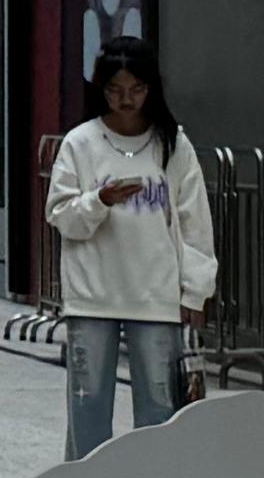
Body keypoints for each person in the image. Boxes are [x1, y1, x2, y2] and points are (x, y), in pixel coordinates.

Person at [46, 38, 217, 455]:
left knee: (160, 411)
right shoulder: (80, 143)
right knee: (87, 408)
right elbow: (61, 215)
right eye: (115, 90)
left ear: (151, 88)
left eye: (136, 89)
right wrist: (99, 201)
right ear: (101, 89)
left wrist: (195, 292)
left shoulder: (172, 144)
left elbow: (195, 223)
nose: (126, 100)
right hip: (92, 296)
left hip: (157, 296)